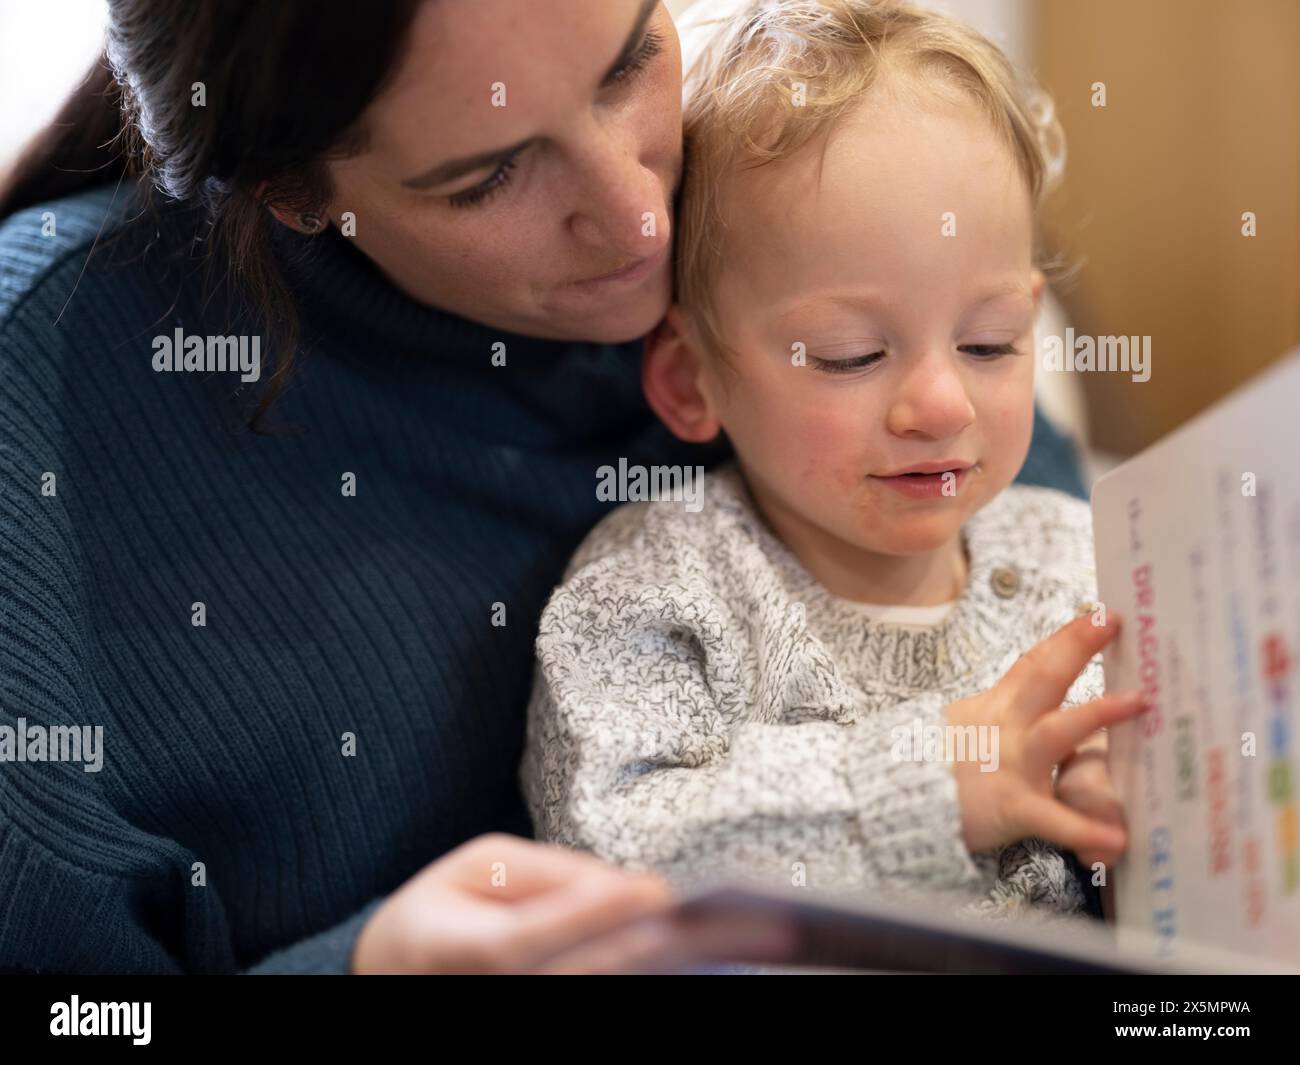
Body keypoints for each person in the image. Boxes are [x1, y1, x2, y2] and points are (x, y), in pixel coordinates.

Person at [0, 0, 1092, 974]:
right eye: (488, 176)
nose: (641, 222)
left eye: (625, 64)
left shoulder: (762, 209)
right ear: (295, 191)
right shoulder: (50, 405)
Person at [522, 0, 1139, 922]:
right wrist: (936, 783)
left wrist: (1129, 822)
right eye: (852, 353)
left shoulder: (1085, 563)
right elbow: (615, 852)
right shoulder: (657, 587)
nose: (943, 405)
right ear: (693, 379)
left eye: (991, 342)